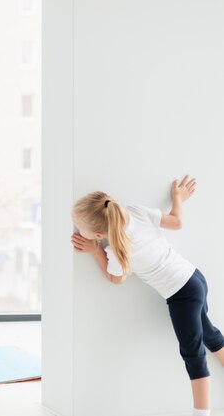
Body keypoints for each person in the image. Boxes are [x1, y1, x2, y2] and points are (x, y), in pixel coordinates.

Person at [70, 176, 224, 416]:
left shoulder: (116, 252)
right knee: (209, 333)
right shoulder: (135, 212)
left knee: (193, 355)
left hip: (181, 296)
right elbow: (176, 222)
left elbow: (115, 278)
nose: (79, 231)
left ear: (99, 235)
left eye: (82, 229)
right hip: (195, 279)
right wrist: (178, 199)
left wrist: (94, 252)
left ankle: (202, 413)